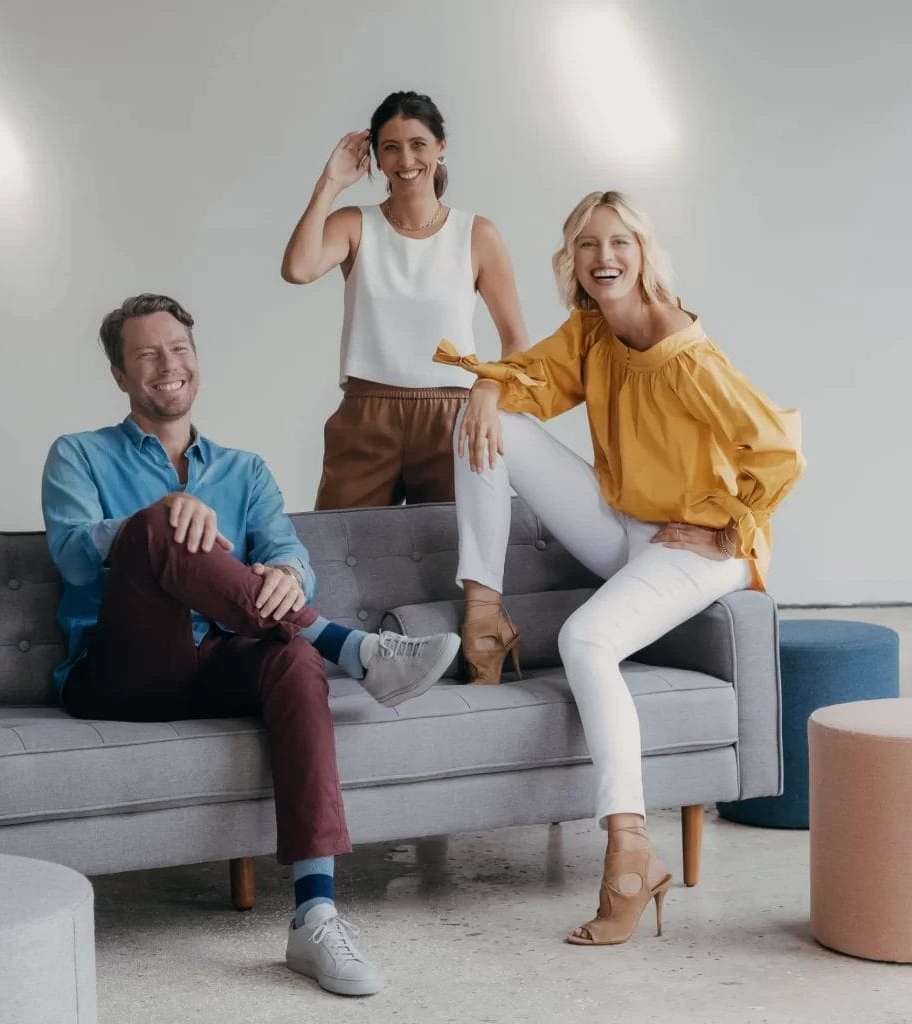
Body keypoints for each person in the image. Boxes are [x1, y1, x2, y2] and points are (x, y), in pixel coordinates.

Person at [42, 293, 461, 996]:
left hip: (219, 661)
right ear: (119, 374)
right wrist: (158, 520)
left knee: (293, 660)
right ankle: (350, 647)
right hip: (120, 671)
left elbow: (291, 553)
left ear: (196, 359)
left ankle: (314, 915)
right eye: (146, 354)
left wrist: (286, 575)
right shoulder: (77, 455)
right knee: (160, 524)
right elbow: (75, 559)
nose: (167, 365)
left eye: (179, 349)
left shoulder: (245, 470)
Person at [434, 191, 805, 945]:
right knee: (486, 421)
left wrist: (732, 530)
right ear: (570, 259)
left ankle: (631, 853)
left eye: (619, 244)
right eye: (587, 244)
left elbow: (779, 450)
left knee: (585, 639)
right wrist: (486, 383)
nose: (603, 258)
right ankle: (485, 615)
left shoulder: (685, 354)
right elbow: (527, 377)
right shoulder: (592, 332)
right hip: (625, 524)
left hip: (694, 548)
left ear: (643, 255)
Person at [281, 89, 527, 509]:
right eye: (391, 148)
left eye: (418, 144)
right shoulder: (355, 224)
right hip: (366, 412)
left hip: (453, 415)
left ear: (441, 146)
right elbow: (298, 270)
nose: (406, 159)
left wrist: (487, 393)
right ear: (376, 157)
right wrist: (330, 184)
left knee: (452, 543)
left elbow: (517, 342)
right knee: (341, 539)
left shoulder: (476, 234)